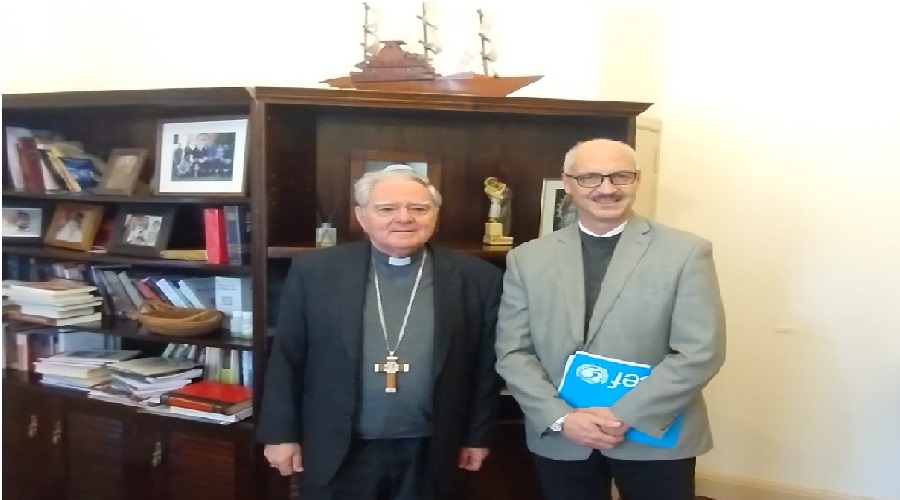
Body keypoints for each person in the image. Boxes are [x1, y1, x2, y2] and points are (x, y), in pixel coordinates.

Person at [494, 138, 726, 500]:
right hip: (563, 434)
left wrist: (622, 415)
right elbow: (513, 351)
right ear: (567, 183)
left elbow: (700, 352)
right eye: (590, 177)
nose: (607, 188)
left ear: (637, 180)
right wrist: (562, 417)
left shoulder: (687, 253)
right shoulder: (527, 259)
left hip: (653, 432)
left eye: (620, 176)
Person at [257, 165, 504, 500]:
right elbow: (287, 356)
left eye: (418, 208)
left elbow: (485, 368)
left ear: (435, 215)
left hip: (433, 448)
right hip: (336, 447)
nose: (404, 218)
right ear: (362, 216)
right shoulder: (315, 272)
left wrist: (477, 436)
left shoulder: (477, 278)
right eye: (387, 209)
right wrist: (280, 434)